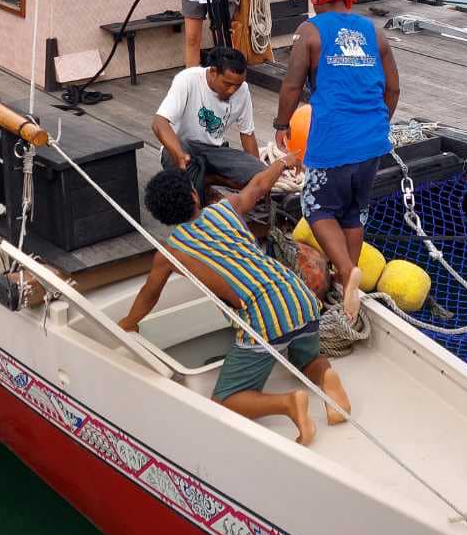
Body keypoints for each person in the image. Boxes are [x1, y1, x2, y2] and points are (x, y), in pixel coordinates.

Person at [122, 156, 353, 444]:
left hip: (266, 317)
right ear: (194, 196)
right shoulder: (224, 209)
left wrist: (129, 322)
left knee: (225, 400)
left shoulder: (170, 253)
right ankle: (327, 378)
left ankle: (288, 404)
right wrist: (283, 163)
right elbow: (258, 186)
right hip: (299, 297)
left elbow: (150, 293)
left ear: (162, 217)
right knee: (305, 359)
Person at [275, 0, 399, 317]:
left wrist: (282, 124)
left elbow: (292, 85)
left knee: (317, 206)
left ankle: (346, 271)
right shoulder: (374, 32)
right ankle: (348, 287)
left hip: (333, 140)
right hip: (372, 141)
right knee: (353, 211)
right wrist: (379, 124)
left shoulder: (309, 32)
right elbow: (393, 89)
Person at [153, 45, 267, 195]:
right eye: (227, 84)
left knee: (259, 172)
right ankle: (204, 186)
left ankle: (208, 179)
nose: (232, 90)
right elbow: (159, 123)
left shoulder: (243, 90)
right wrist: (180, 157)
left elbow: (247, 134)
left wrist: (259, 176)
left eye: (237, 86)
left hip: (215, 151)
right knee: (176, 162)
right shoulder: (188, 79)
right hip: (185, 148)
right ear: (213, 72)